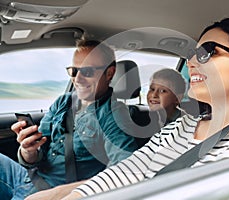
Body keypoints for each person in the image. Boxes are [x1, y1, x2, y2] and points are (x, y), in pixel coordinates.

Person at [27, 17, 229, 200]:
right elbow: (130, 171)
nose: (192, 60)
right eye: (192, 52)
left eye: (209, 51)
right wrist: (69, 195)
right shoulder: (182, 126)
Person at [0, 39, 140, 199]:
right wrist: (28, 151)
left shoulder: (113, 114)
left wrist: (56, 194)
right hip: (28, 179)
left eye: (87, 71)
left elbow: (126, 171)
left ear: (109, 73)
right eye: (74, 71)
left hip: (59, 193)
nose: (78, 79)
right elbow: (38, 153)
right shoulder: (63, 101)